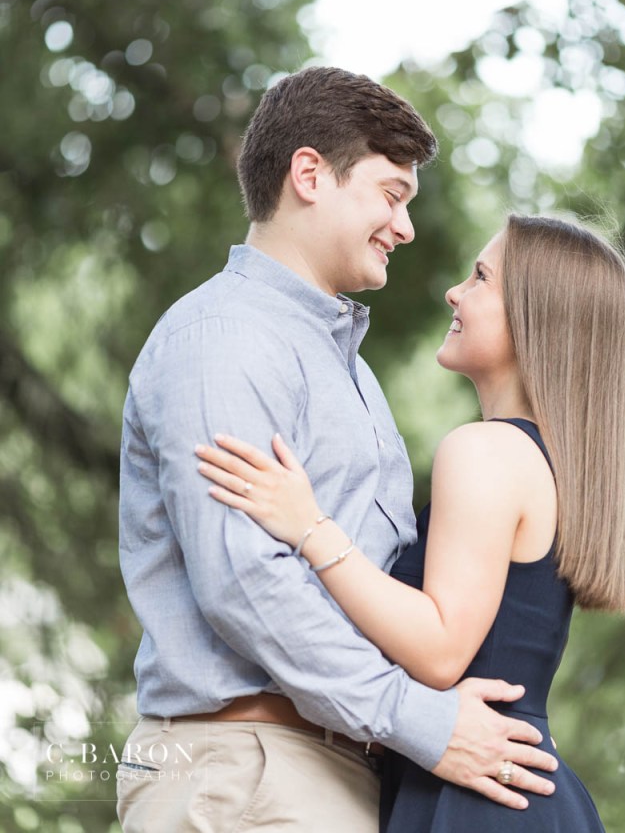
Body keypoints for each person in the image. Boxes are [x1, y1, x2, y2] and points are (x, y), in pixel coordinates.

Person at [116, 67, 558, 833]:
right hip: (248, 771)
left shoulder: (351, 373)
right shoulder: (224, 341)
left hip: (325, 772)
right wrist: (421, 721)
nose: (406, 227)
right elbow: (246, 586)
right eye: (393, 195)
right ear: (311, 175)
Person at [197, 212, 625, 831]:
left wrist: (309, 526)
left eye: (482, 277)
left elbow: (439, 649)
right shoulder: (551, 464)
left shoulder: (485, 451)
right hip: (507, 789)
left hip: (476, 799)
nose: (456, 291)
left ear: (537, 317)